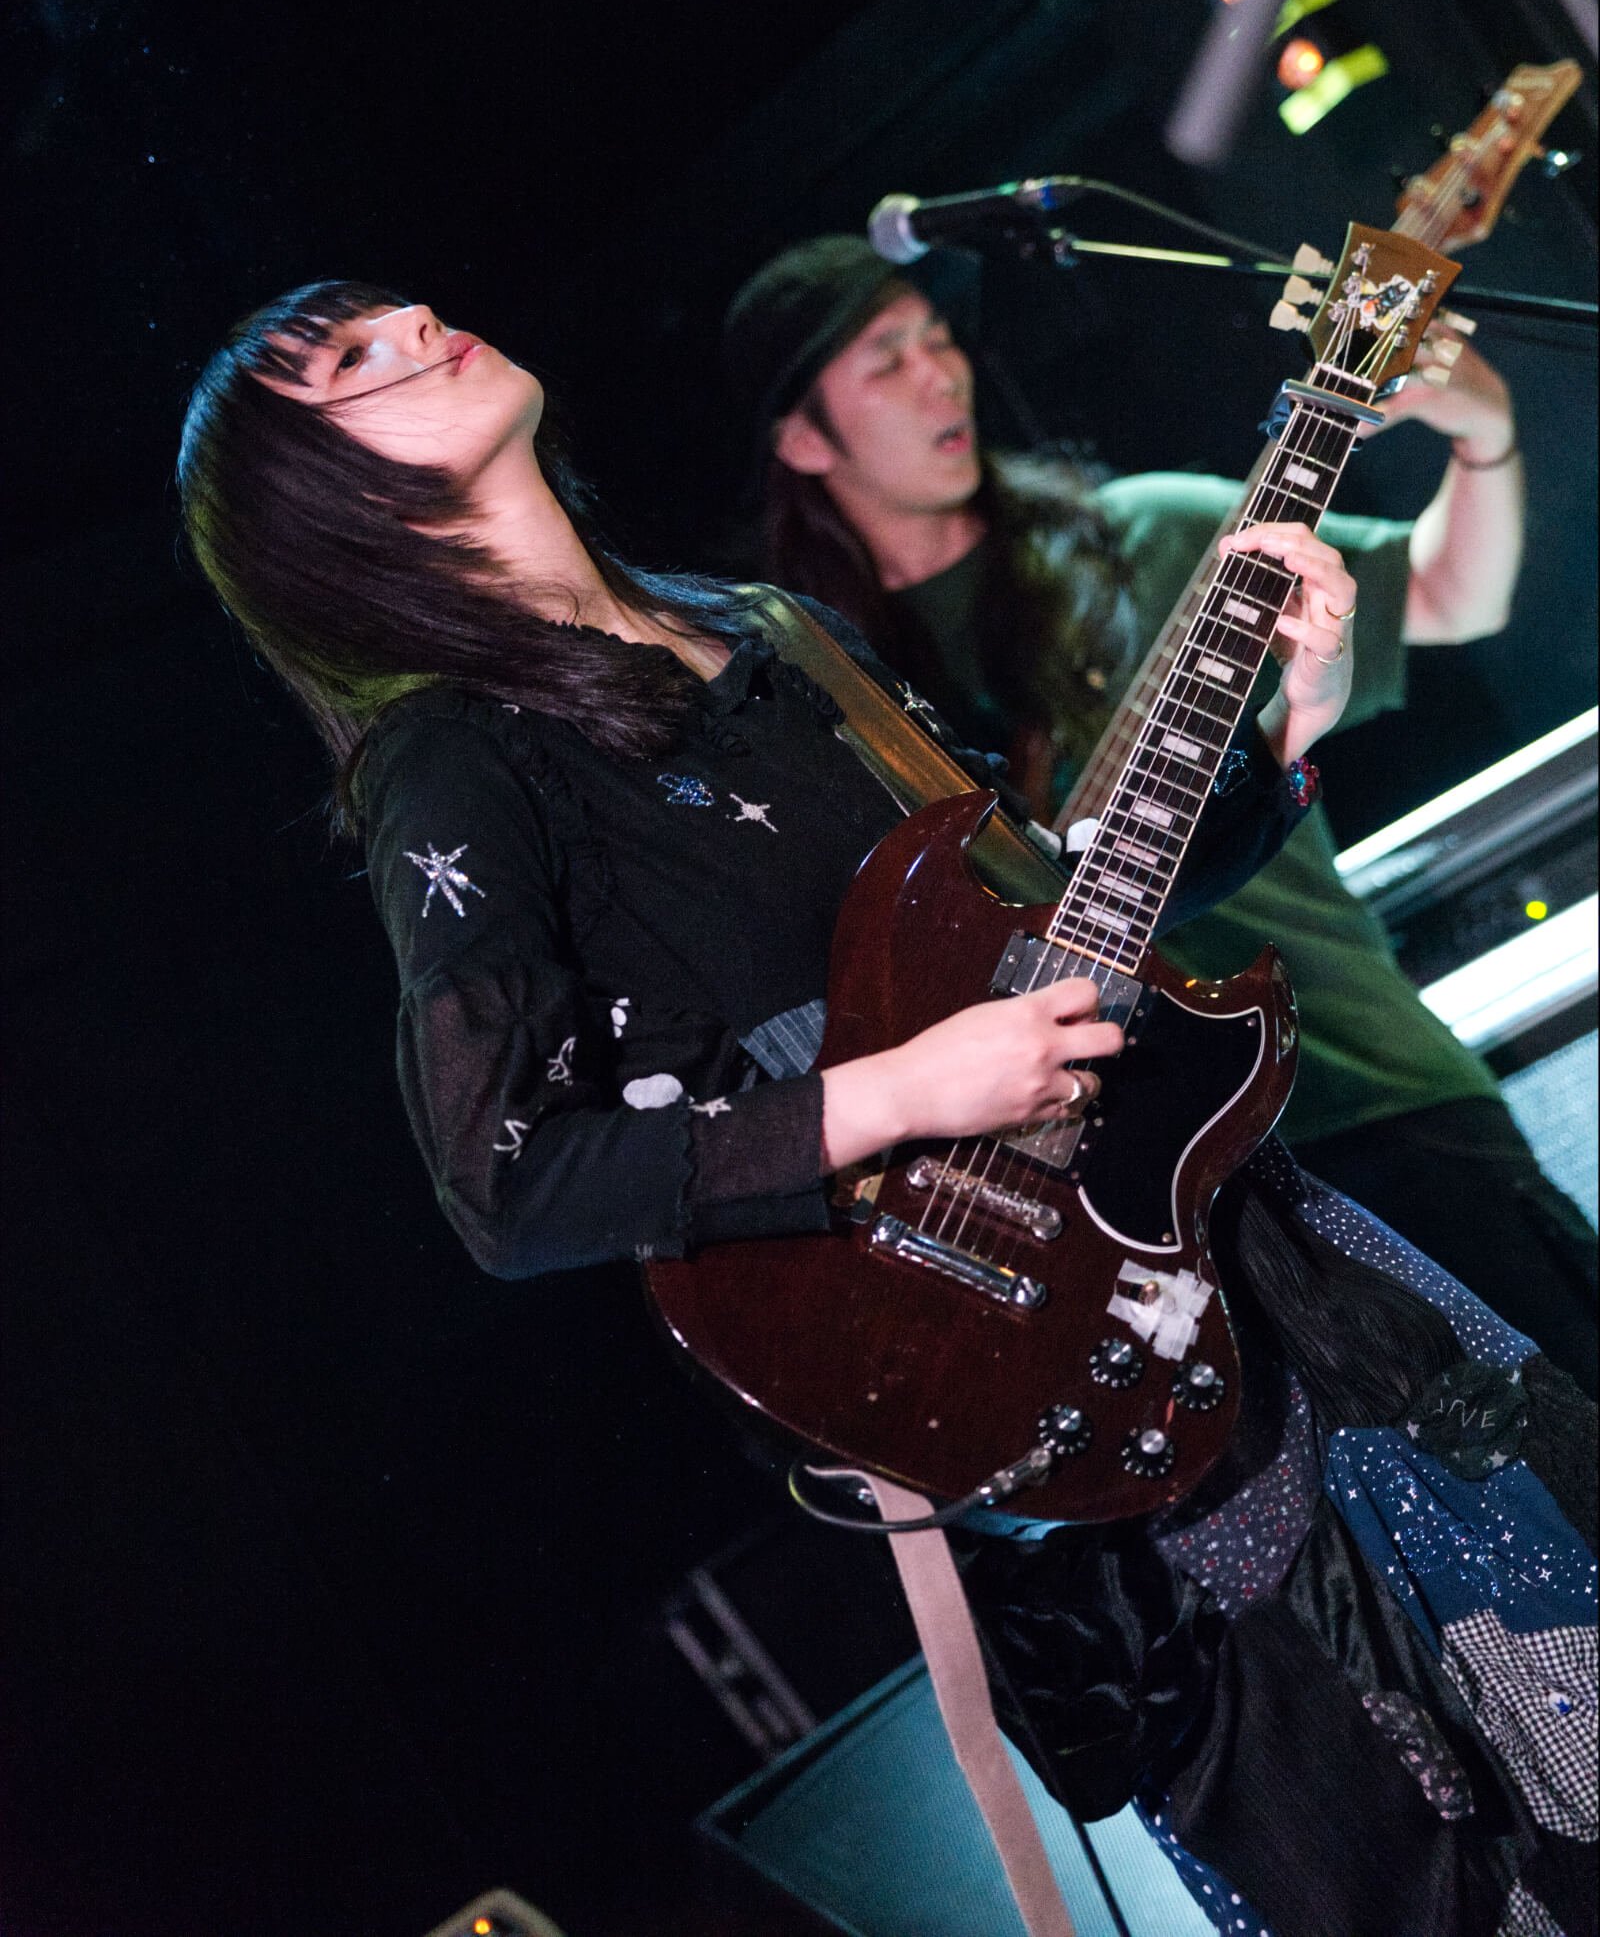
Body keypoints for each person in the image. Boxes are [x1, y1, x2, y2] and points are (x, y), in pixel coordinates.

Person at [179, 280, 1595, 1937]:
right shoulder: (458, 762)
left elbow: (1060, 922)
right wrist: (905, 1089)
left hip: (1262, 1260)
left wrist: (1292, 716)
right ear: (327, 502)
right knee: (1397, 1861)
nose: (420, 318)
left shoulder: (772, 630)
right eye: (352, 360)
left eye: (389, 310)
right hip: (1031, 1368)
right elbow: (509, 1181)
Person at [727, 233, 1597, 1398]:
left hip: (1369, 1091)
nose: (941, 373)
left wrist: (1483, 435)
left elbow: (1452, 592)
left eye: (938, 338)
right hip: (1114, 1201)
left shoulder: (1152, 533)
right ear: (802, 439)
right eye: (886, 360)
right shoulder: (828, 692)